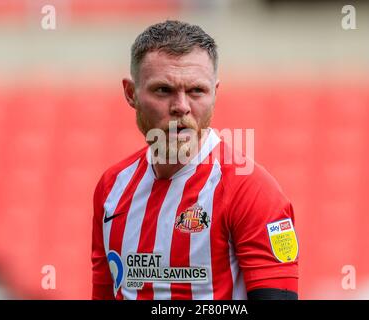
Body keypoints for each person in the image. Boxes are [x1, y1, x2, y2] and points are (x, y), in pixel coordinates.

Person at [92, 20, 299, 300]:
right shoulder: (111, 187)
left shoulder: (251, 191)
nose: (181, 106)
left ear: (215, 93)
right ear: (131, 93)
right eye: (163, 90)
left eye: (196, 91)